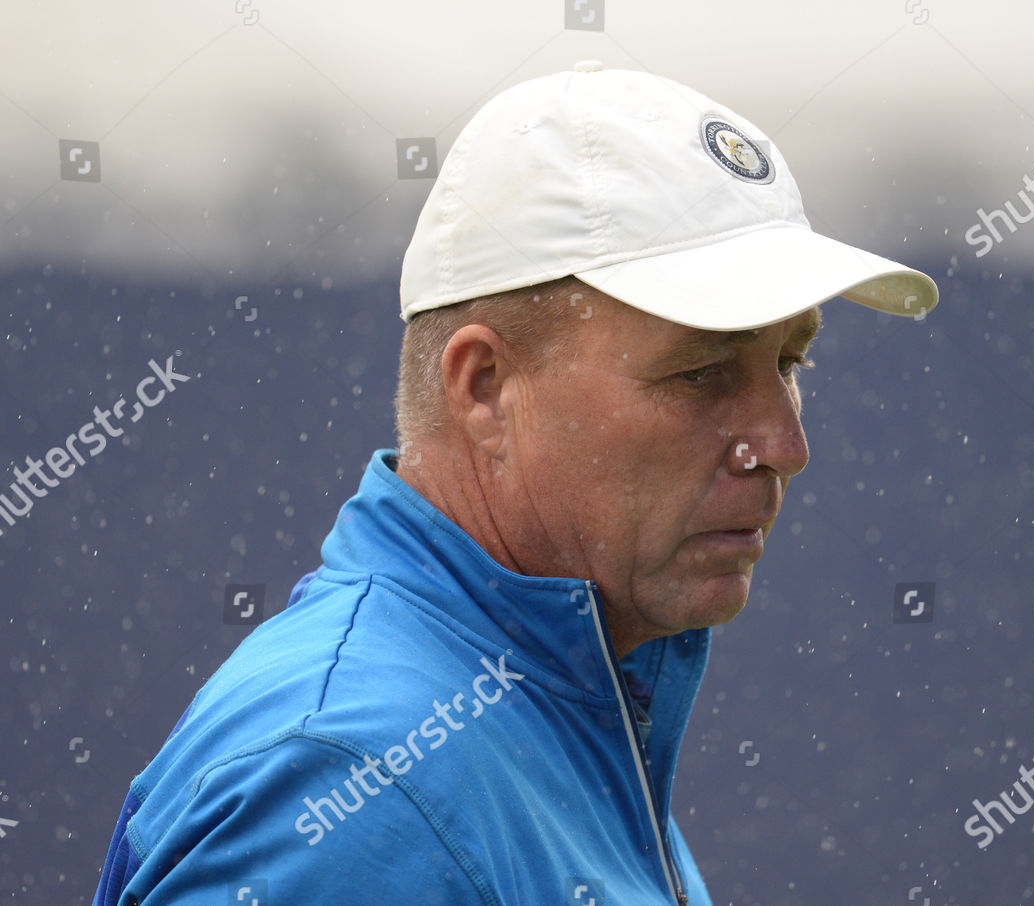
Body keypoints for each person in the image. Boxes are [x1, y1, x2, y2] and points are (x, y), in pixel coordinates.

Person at [92, 61, 938, 905]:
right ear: (486, 389)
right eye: (701, 372)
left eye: (789, 363)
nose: (785, 445)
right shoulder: (357, 787)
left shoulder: (543, 718)